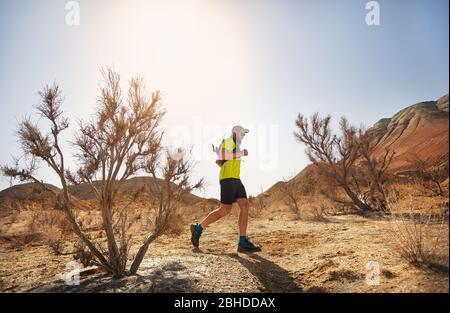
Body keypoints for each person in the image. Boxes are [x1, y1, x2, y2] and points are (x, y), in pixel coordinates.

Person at [190, 125, 262, 253]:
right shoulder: (228, 141)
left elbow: (224, 158)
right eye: (242, 133)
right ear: (235, 132)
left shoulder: (235, 145)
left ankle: (242, 242)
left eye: (244, 133)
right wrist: (240, 153)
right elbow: (223, 154)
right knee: (224, 210)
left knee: (245, 205)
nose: (243, 135)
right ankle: (198, 228)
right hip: (227, 179)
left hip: (236, 179)